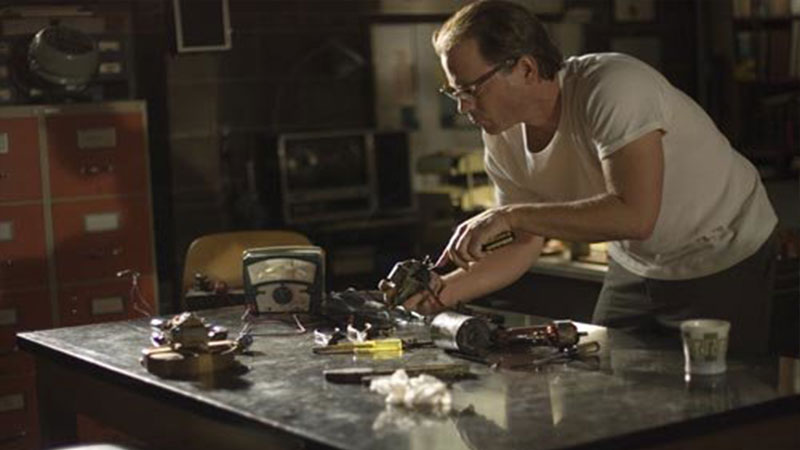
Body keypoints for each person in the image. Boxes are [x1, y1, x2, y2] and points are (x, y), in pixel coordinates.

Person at [402, 0, 778, 354]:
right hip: (638, 261)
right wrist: (437, 294)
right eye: (454, 92)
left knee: (717, 388)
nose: (462, 107)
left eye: (471, 90)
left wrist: (511, 216)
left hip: (721, 247)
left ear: (526, 69)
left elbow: (635, 216)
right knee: (601, 370)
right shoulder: (502, 136)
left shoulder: (613, 87)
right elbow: (522, 243)